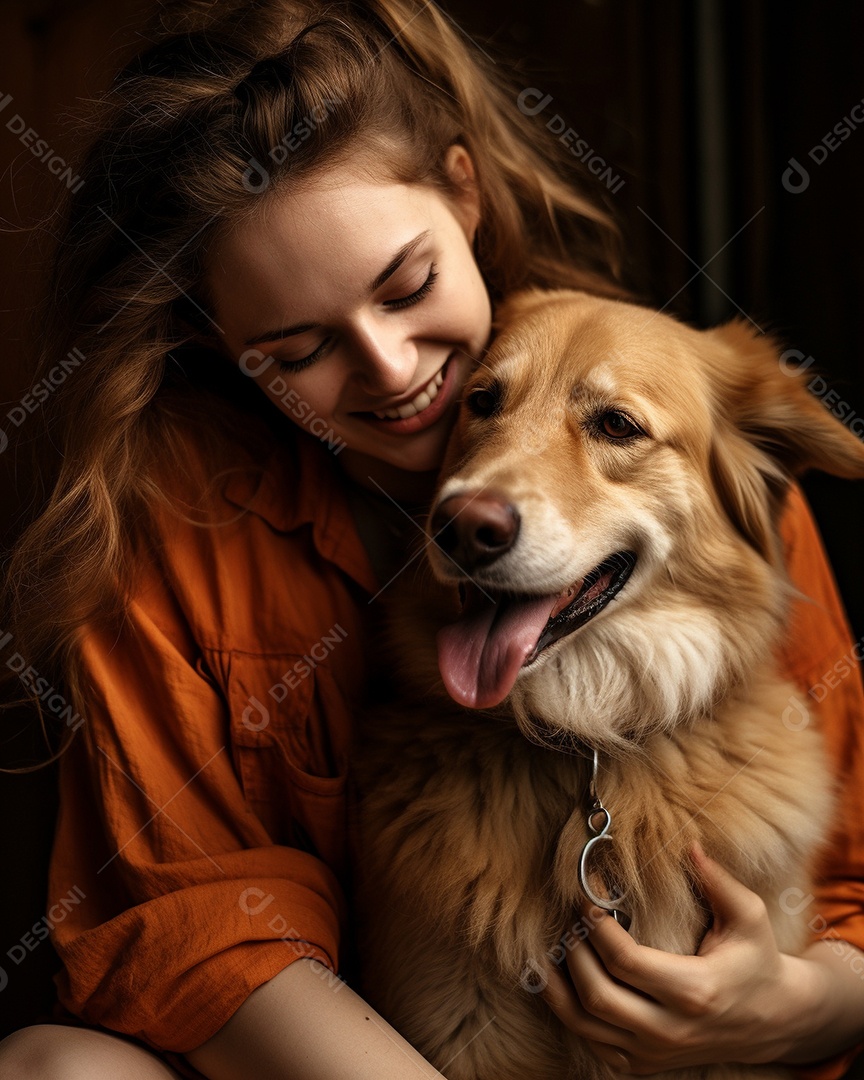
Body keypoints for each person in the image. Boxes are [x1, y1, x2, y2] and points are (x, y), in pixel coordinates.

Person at [1, 1, 863, 1077]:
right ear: (216, 342)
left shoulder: (713, 452)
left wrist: (811, 1002)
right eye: (298, 347)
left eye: (408, 286)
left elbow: (849, 889)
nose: (394, 371)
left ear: (464, 188)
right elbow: (195, 921)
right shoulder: (174, 513)